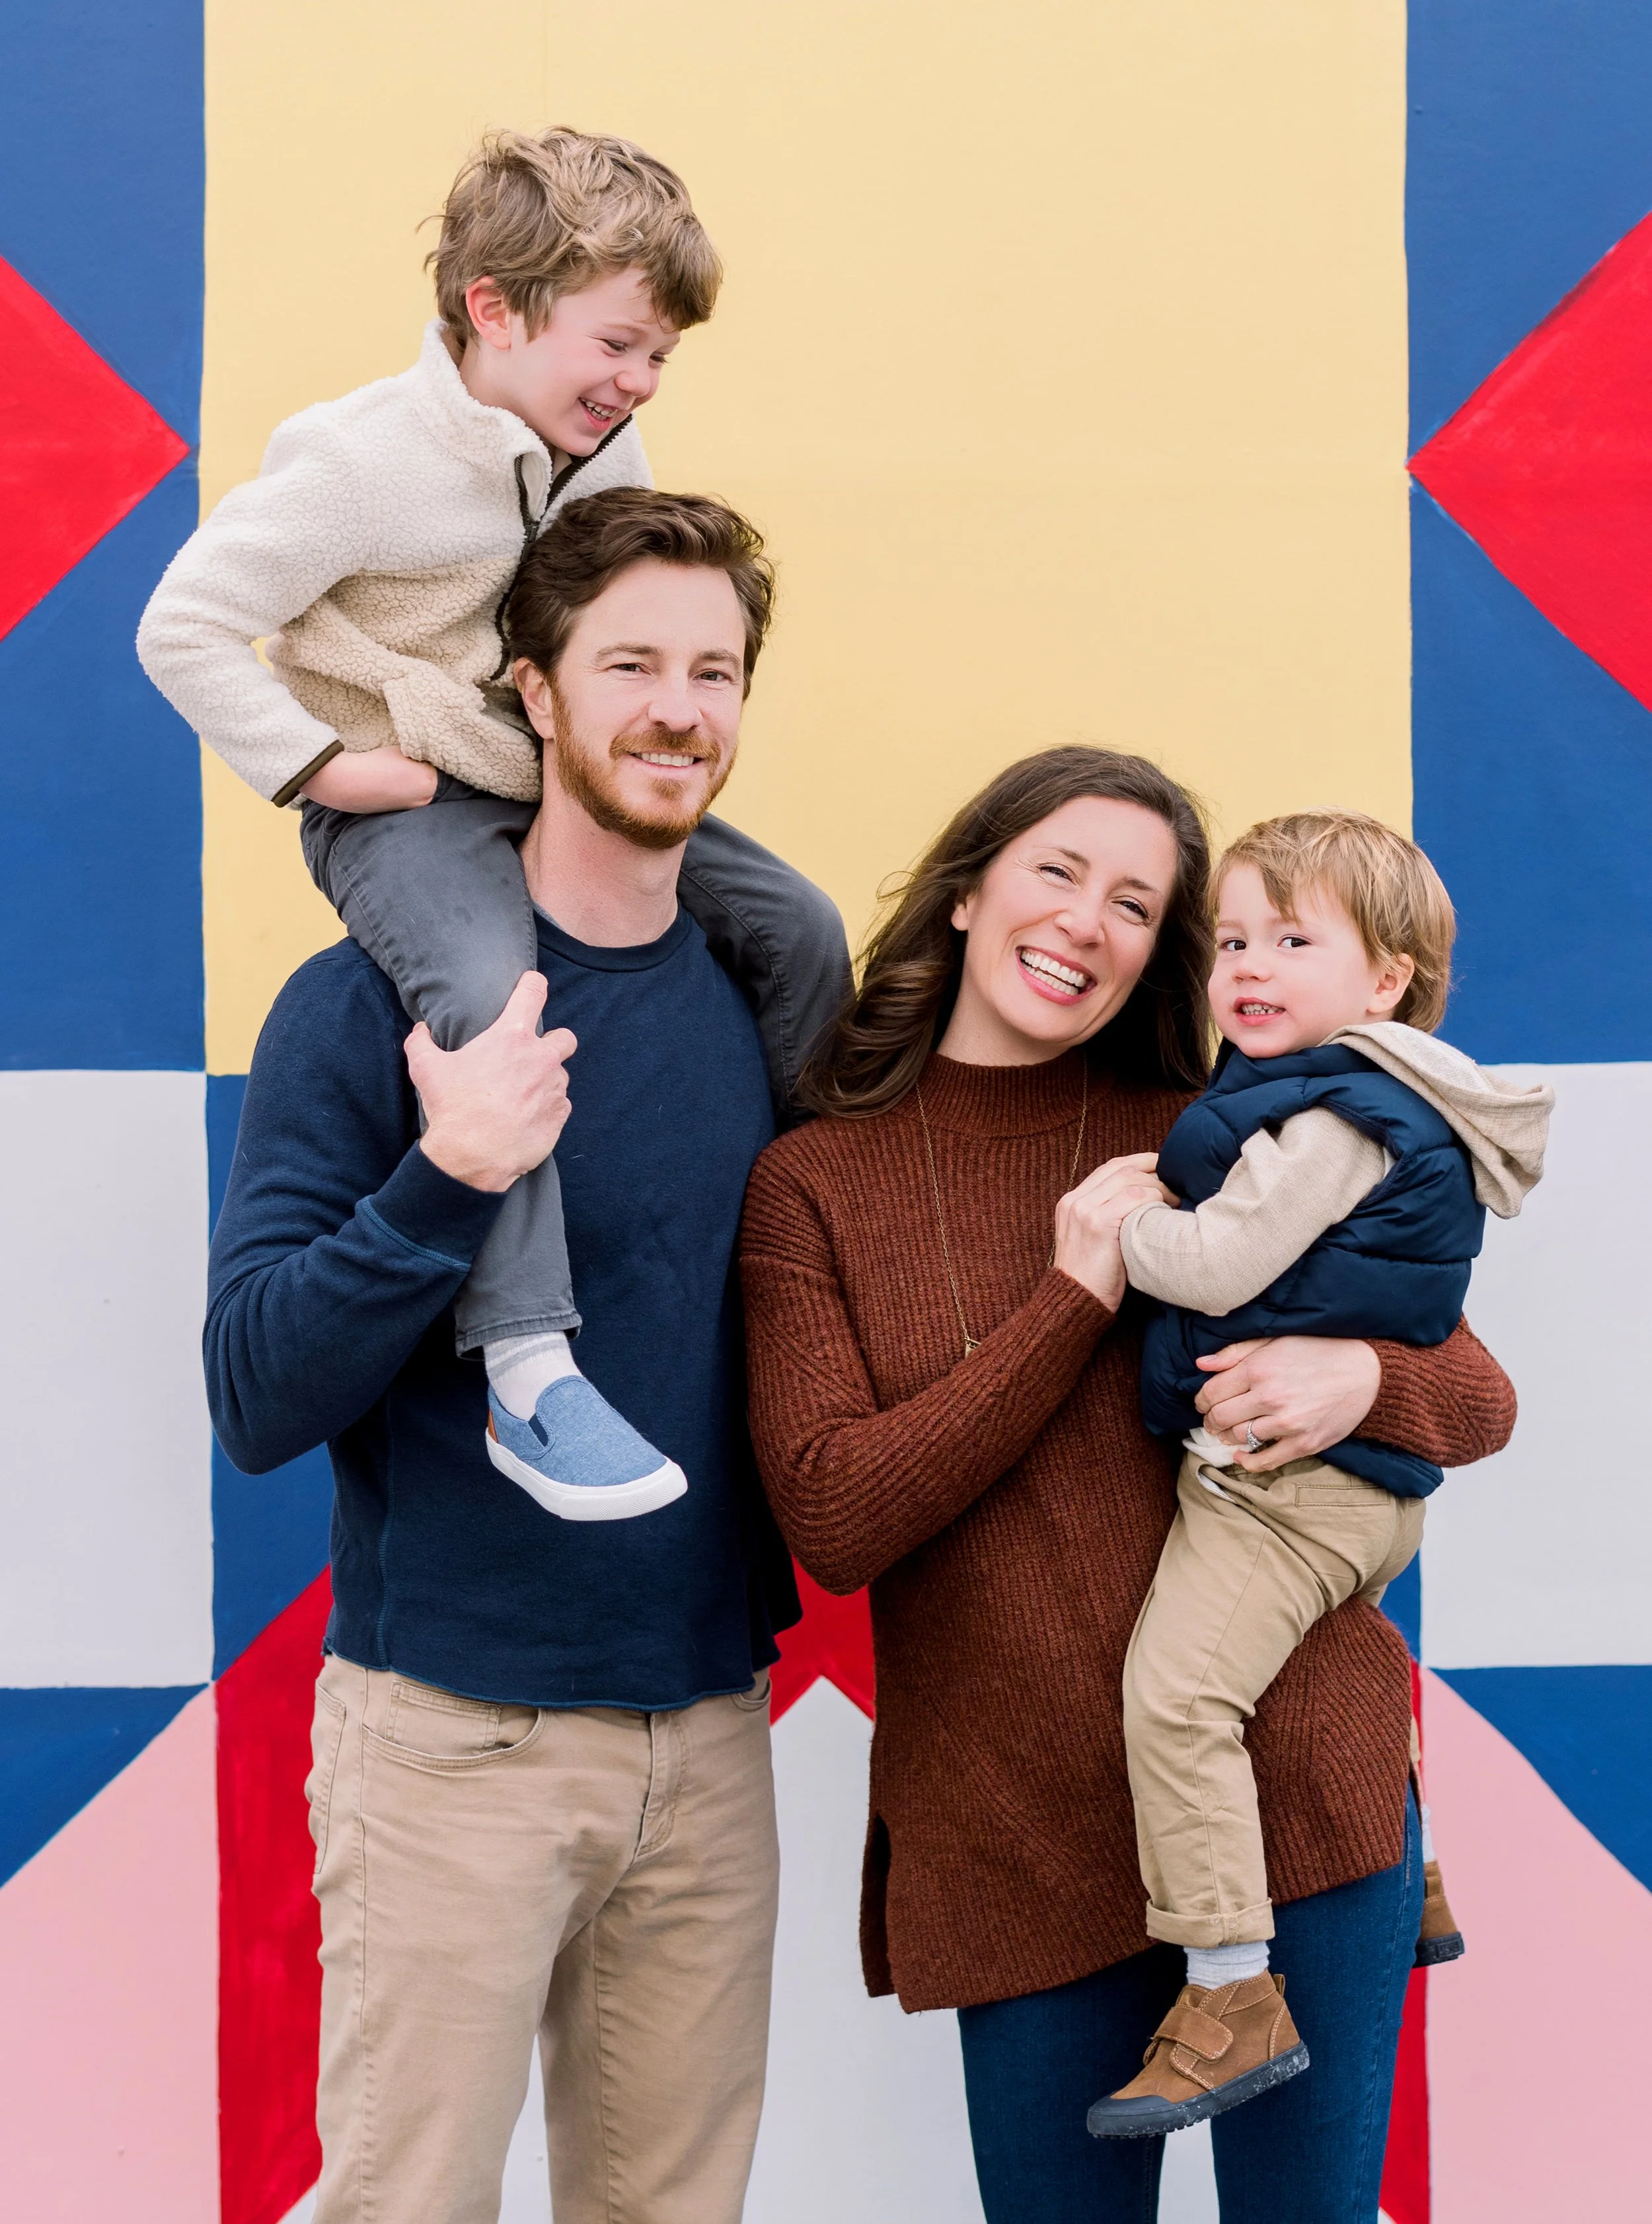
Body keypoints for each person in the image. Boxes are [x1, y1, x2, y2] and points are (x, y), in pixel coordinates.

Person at [739, 748, 1517, 2223]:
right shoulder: (814, 1185)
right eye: (1055, 873)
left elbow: (1473, 1396)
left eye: (1136, 904)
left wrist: (1360, 1380)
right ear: (968, 891)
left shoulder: (1216, 1120)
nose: (1084, 923)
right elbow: (835, 1517)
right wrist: (1073, 1293)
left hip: (1299, 1796)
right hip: (1011, 1831)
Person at [206, 490, 848, 2224]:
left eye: (712, 669)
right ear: (533, 694)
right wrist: (452, 1172)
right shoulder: (361, 1008)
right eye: (629, 660)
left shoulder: (758, 997)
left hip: (709, 1730)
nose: (676, 707)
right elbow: (256, 1393)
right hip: (452, 1749)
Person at [145, 126, 838, 1517]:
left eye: (658, 360)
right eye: (620, 346)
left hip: (539, 773)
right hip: (404, 801)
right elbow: (186, 622)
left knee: (800, 927)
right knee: (483, 989)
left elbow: (623, 616)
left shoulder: (600, 441)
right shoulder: (361, 463)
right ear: (494, 310)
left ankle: (823, 1228)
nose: (638, 386)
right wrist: (321, 768)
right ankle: (528, 1362)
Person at [1085, 810, 1550, 2139]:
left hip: (1287, 1486)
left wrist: (1127, 1226)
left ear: (1382, 980)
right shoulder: (1346, 1088)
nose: (1248, 964)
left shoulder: (1335, 1111)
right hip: (1352, 1489)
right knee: (1317, 1654)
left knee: (1175, 1696)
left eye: (1292, 939)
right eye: (1232, 937)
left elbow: (1220, 1265)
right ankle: (1419, 1879)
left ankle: (1231, 1992)